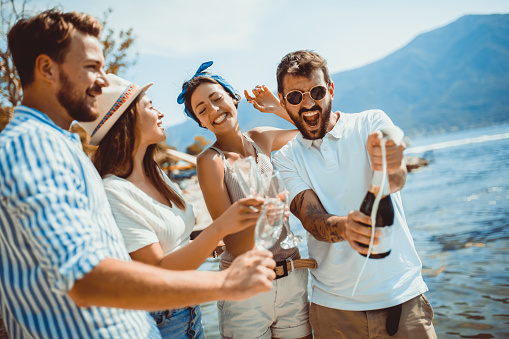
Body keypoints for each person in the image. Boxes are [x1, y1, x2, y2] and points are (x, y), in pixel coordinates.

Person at [0, 9, 276, 339]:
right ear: (46, 68)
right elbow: (85, 279)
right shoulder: (32, 147)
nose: (103, 81)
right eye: (92, 67)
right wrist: (225, 282)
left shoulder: (62, 146)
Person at [78, 73, 265, 338]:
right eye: (150, 106)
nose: (160, 113)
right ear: (128, 120)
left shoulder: (153, 172)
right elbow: (157, 273)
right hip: (158, 323)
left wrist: (209, 241)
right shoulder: (112, 192)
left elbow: (170, 241)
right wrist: (220, 228)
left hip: (188, 314)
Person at [267, 50, 436, 338]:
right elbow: (311, 218)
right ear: (283, 101)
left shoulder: (370, 122)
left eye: (317, 92)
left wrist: (391, 161)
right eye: (295, 97)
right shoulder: (284, 158)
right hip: (334, 311)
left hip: (402, 298)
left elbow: (395, 177)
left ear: (330, 90)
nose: (308, 104)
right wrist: (346, 226)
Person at [178, 61, 315, 339]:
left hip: (292, 277)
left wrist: (278, 107)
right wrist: (268, 218)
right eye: (202, 110)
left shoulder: (260, 138)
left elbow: (313, 130)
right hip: (246, 290)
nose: (214, 110)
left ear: (234, 97)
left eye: (217, 99)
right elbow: (236, 244)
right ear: (201, 122)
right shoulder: (210, 161)